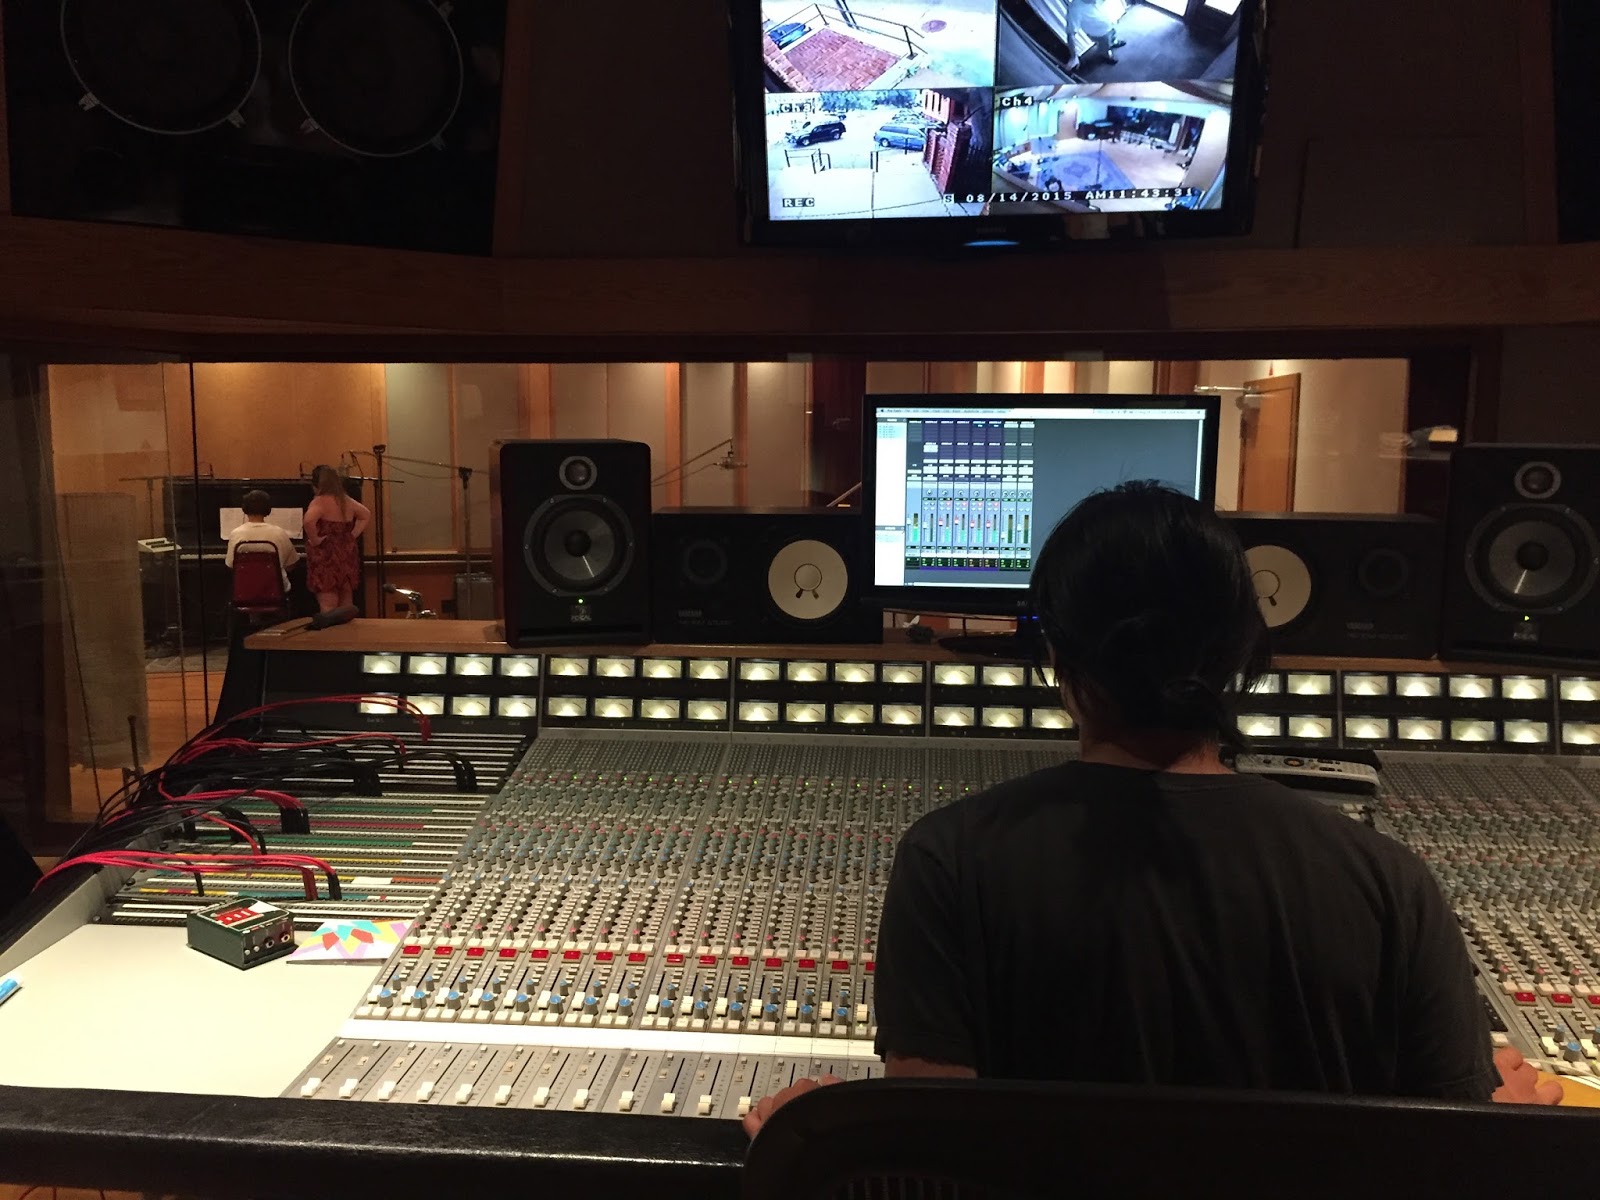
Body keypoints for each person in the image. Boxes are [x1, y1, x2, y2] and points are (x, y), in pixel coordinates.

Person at [743, 482, 1558, 1137]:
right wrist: (1491, 1127)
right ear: (1242, 649)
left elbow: (929, 1152)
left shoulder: (947, 861)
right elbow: (1448, 1166)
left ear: (1056, 654)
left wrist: (821, 1136)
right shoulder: (1391, 884)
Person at [304, 465, 370, 613]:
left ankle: (330, 628)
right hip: (346, 553)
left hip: (326, 555)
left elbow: (308, 521)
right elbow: (366, 514)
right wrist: (352, 535)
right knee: (346, 604)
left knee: (328, 604)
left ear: (316, 484)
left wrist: (314, 539)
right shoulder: (345, 500)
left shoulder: (319, 501)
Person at [223, 489, 299, 592]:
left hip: (245, 590)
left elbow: (231, 565)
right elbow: (291, 565)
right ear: (268, 510)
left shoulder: (236, 534)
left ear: (244, 509)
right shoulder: (279, 533)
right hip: (275, 590)